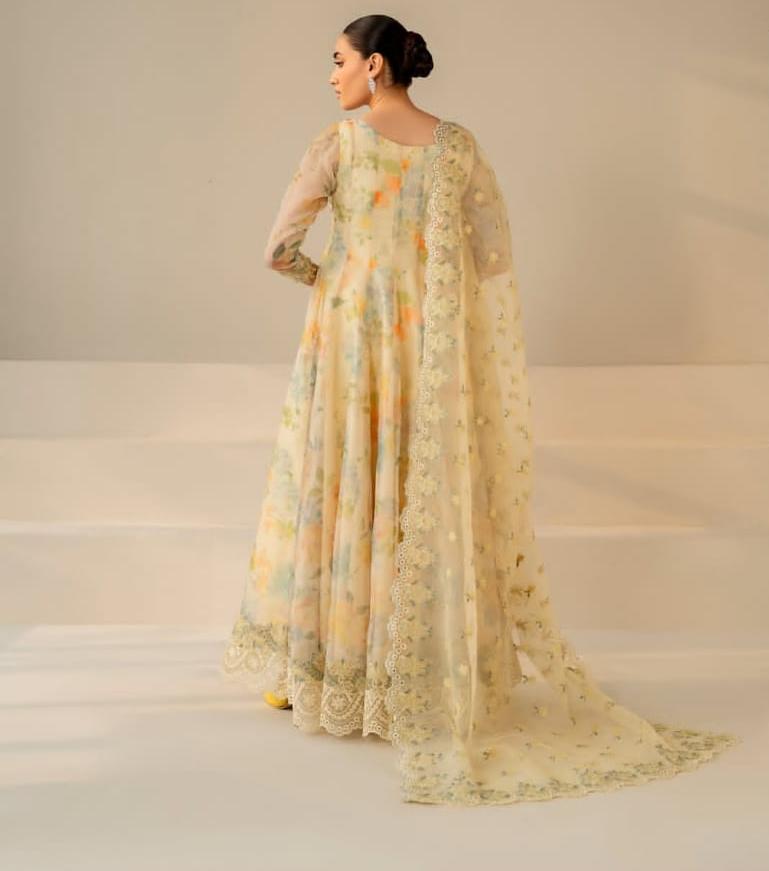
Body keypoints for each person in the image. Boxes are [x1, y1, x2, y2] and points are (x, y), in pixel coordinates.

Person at [220, 14, 740, 805]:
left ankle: (327, 671)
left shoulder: (340, 146)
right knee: (413, 490)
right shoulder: (456, 148)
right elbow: (489, 259)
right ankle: (418, 667)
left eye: (338, 61)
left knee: (343, 483)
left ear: (374, 66)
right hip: (427, 341)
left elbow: (277, 250)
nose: (331, 77)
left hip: (350, 336)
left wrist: (336, 282)